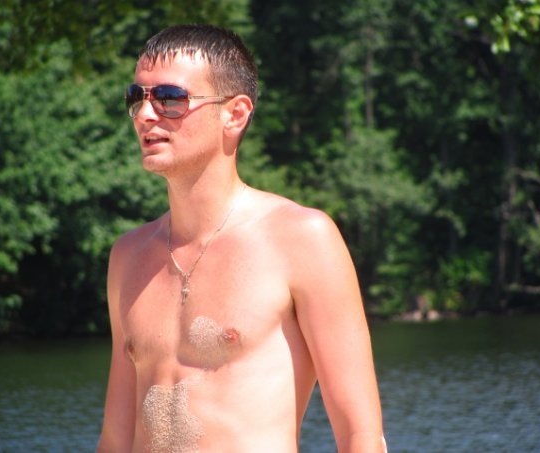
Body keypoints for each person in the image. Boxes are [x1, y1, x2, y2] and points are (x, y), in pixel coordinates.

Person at [97, 24, 386, 453]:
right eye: (136, 97)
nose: (145, 114)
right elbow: (115, 439)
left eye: (170, 98)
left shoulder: (301, 239)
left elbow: (361, 434)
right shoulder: (128, 255)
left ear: (235, 114)